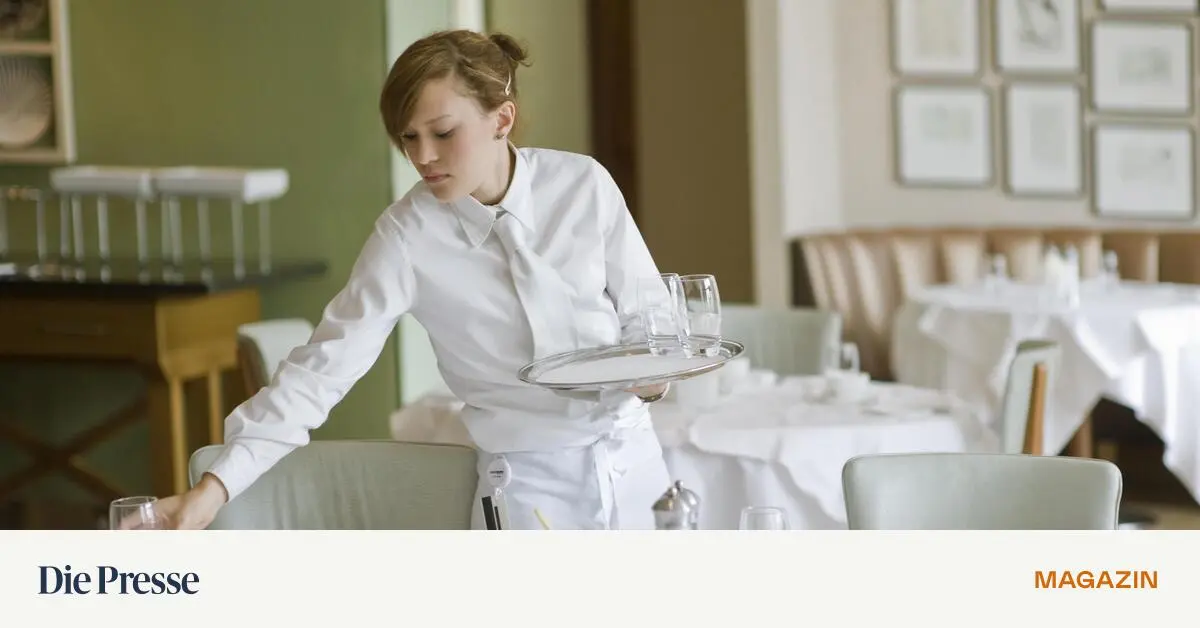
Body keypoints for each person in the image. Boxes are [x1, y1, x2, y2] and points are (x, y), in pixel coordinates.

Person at [154, 29, 673, 530]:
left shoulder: (583, 184)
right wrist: (214, 488)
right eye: (408, 137)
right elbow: (321, 371)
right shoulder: (407, 237)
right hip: (527, 488)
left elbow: (652, 318)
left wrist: (653, 377)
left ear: (502, 119)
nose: (422, 156)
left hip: (636, 466)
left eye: (443, 133)